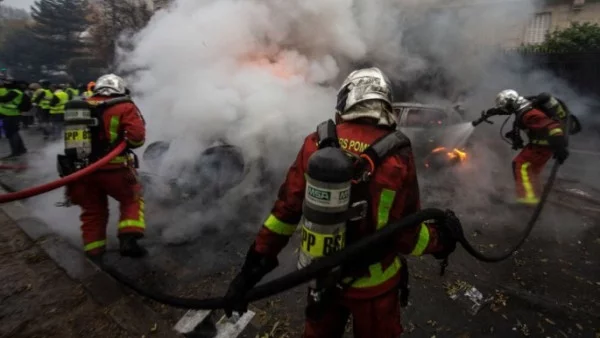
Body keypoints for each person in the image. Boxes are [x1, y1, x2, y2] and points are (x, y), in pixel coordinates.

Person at [223, 67, 463, 338]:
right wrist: (441, 240)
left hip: (322, 278)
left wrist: (250, 270)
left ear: (346, 99)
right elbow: (406, 235)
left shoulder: (316, 143)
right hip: (376, 289)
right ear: (385, 103)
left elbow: (285, 213)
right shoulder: (399, 155)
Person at [65, 73, 147, 259]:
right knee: (131, 199)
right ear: (120, 89)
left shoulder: (78, 105)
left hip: (81, 171)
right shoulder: (124, 106)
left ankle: (94, 252)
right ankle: (128, 240)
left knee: (93, 210)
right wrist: (123, 143)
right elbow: (136, 138)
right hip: (114, 169)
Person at [492, 89, 569, 205]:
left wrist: (560, 147)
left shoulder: (528, 113)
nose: (506, 110)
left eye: (506, 106)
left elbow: (553, 127)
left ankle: (527, 201)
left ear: (511, 102)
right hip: (540, 146)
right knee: (532, 171)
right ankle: (536, 196)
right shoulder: (525, 107)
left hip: (542, 147)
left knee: (520, 165)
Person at [0, 77, 27, 157]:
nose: (5, 84)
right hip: (10, 115)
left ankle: (15, 152)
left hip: (11, 115)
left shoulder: (15, 92)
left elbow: (4, 99)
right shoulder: (14, 91)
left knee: (11, 134)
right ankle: (21, 150)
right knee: (14, 133)